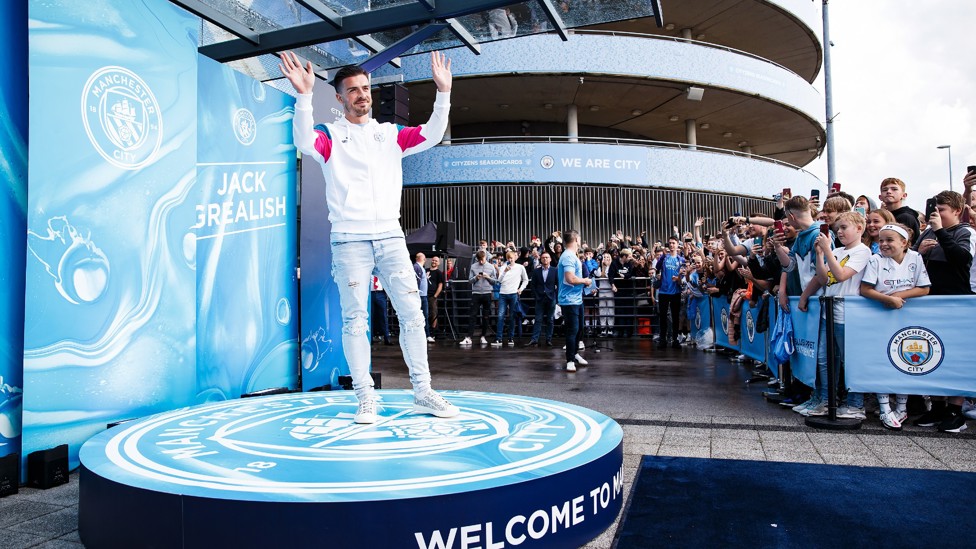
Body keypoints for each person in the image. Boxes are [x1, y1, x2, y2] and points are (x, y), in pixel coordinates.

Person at [280, 50, 458, 423]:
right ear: (340, 98)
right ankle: (365, 398)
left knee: (413, 315)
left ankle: (423, 392)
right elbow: (302, 142)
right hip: (349, 240)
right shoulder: (329, 136)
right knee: (354, 321)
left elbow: (431, 133)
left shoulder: (389, 134)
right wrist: (303, 97)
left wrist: (443, 93)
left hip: (391, 237)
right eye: (354, 90)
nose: (362, 94)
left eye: (365, 88)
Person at [911, 190, 976, 432]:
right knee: (933, 354)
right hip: (930, 302)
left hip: (958, 303)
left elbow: (961, 259)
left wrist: (940, 232)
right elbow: (909, 260)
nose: (936, 215)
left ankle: (955, 410)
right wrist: (920, 252)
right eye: (934, 210)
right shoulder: (927, 232)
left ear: (957, 211)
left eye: (942, 211)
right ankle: (937, 406)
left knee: (956, 357)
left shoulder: (965, 232)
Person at [798, 212, 871, 419]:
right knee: (823, 359)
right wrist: (821, 255)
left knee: (850, 360)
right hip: (828, 313)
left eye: (844, 227)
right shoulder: (837, 250)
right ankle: (826, 399)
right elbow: (823, 278)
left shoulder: (862, 251)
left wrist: (828, 251)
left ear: (859, 228)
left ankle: (855, 404)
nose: (839, 232)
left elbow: (840, 275)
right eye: (837, 228)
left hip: (848, 315)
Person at [860, 224, 931, 430]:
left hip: (906, 318)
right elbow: (865, 289)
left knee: (902, 359)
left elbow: (924, 288)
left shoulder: (915, 258)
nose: (883, 244)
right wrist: (886, 299)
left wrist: (898, 296)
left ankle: (902, 407)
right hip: (880, 317)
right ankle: (884, 408)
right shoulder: (876, 259)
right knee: (881, 360)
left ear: (904, 242)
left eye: (889, 240)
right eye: (881, 240)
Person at [558, 230, 592, 372]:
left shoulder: (572, 256)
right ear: (577, 239)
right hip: (569, 300)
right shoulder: (567, 256)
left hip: (577, 299)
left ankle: (575, 353)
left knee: (579, 330)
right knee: (572, 330)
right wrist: (585, 281)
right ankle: (570, 360)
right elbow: (570, 278)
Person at [492, 250, 529, 346]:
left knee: (512, 317)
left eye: (512, 257)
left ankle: (510, 338)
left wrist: (520, 289)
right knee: (500, 316)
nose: (510, 259)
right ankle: (498, 339)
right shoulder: (503, 267)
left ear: (515, 258)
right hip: (503, 294)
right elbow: (499, 281)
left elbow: (526, 280)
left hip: (513, 294)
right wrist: (504, 272)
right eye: (508, 257)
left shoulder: (520, 267)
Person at [461, 250, 498, 345]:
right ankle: (469, 337)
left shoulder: (491, 267)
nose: (481, 262)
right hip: (476, 293)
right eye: (479, 260)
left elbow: (495, 281)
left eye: (483, 259)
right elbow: (469, 281)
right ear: (477, 259)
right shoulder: (473, 266)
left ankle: (483, 336)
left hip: (487, 293)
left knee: (486, 316)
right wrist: (476, 278)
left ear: (486, 257)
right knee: (472, 315)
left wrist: (488, 277)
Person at [655, 237, 686, 349]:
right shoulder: (664, 258)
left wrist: (678, 278)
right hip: (663, 291)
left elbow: (682, 277)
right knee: (662, 316)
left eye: (674, 243)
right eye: (670, 243)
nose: (671, 245)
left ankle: (675, 339)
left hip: (675, 292)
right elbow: (657, 267)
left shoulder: (681, 259)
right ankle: (662, 339)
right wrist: (662, 255)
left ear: (677, 245)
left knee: (675, 316)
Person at [528, 252, 558, 346]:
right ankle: (535, 339)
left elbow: (558, 284)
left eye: (547, 257)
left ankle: (548, 339)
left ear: (550, 259)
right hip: (540, 298)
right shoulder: (536, 271)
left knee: (550, 319)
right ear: (540, 259)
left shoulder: (554, 270)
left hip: (551, 297)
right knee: (538, 319)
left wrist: (555, 297)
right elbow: (533, 285)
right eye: (543, 257)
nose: (545, 259)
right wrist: (536, 296)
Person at [878, 177, 920, 243]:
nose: (889, 192)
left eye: (894, 189)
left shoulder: (906, 217)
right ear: (880, 197)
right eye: (885, 190)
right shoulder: (882, 216)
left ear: (904, 195)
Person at [414, 252, 433, 341]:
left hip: (422, 295)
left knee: (424, 315)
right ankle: (427, 334)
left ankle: (426, 334)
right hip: (421, 296)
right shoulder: (417, 267)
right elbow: (416, 281)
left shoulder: (419, 267)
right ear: (422, 259)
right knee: (424, 315)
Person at [427, 256, 445, 338]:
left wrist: (435, 296)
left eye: (436, 261)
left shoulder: (439, 273)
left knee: (433, 313)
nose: (434, 262)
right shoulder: (426, 270)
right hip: (424, 295)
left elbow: (440, 285)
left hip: (432, 296)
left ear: (439, 263)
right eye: (433, 260)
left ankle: (433, 332)